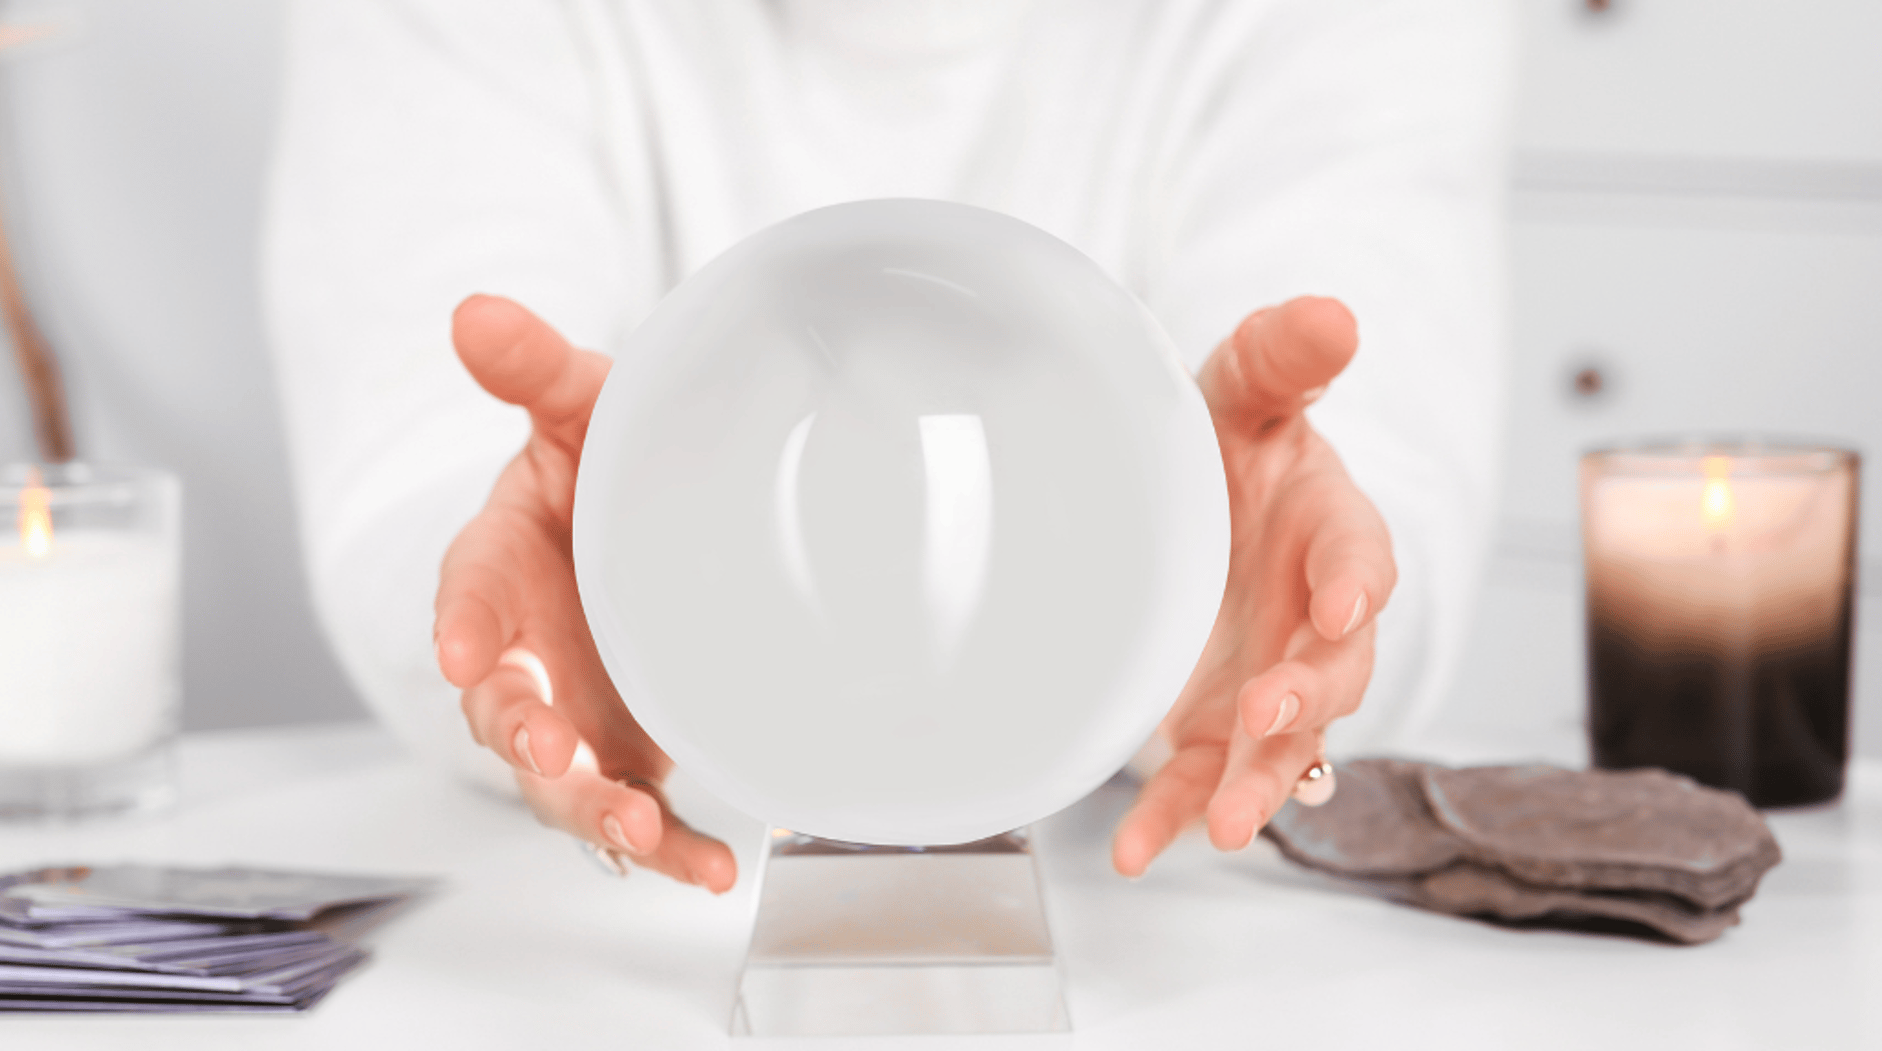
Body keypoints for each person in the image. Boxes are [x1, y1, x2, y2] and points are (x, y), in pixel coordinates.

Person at [264, 0, 1511, 892]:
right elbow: (408, 477)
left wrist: (1246, 612)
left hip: (1154, 926)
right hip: (639, 925)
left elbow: (1389, 483)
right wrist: (565, 614)